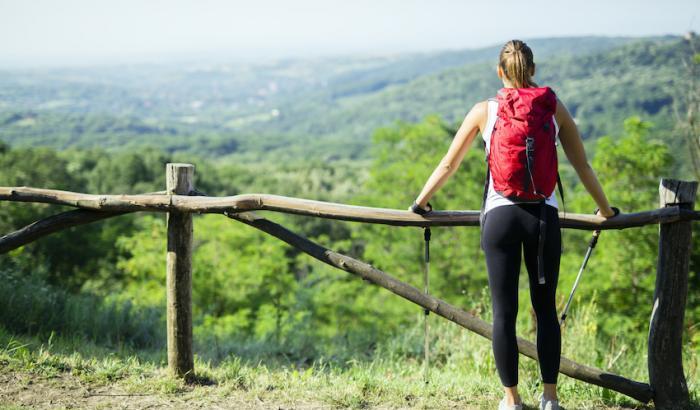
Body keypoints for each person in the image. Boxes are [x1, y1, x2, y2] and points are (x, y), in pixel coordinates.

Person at [408, 39, 618, 410]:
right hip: (542, 220)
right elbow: (582, 166)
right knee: (546, 311)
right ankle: (550, 398)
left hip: (501, 219)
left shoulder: (483, 110)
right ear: (533, 71)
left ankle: (511, 399)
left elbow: (447, 165)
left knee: (504, 313)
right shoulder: (553, 108)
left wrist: (420, 202)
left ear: (499, 72)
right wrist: (606, 210)